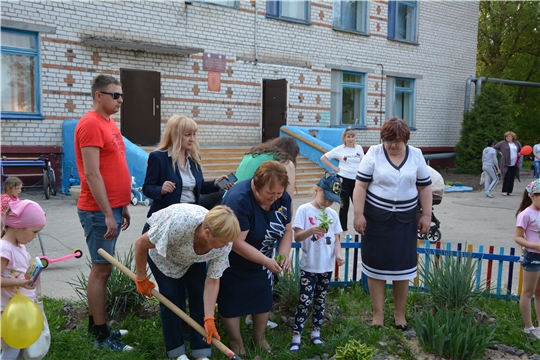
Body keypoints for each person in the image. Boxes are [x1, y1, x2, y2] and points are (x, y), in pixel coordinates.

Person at [353, 117, 432, 329]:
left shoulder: (416, 155)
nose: (393, 145)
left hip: (405, 220)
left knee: (402, 267)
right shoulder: (374, 154)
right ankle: (378, 315)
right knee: (376, 266)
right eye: (388, 140)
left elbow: (424, 187)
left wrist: (426, 215)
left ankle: (399, 314)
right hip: (376, 220)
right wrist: (358, 214)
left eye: (397, 140)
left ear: (406, 139)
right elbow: (360, 185)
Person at [134, 204, 240, 360]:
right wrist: (141, 277)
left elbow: (212, 281)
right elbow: (140, 244)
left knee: (198, 292)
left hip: (193, 253)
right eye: (223, 241)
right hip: (165, 247)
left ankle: (201, 352)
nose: (227, 245)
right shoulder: (178, 226)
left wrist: (209, 318)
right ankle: (177, 352)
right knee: (170, 295)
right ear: (207, 233)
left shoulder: (223, 244)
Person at [74, 74, 133, 352]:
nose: (120, 100)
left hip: (113, 208)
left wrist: (123, 205)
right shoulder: (90, 124)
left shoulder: (109, 123)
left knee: (104, 269)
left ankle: (97, 326)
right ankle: (99, 334)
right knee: (101, 270)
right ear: (99, 95)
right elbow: (92, 173)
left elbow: (115, 164)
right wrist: (108, 213)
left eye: (122, 95)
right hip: (98, 212)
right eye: (116, 95)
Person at [218, 161, 293, 356]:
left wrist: (283, 254)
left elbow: (286, 230)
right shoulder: (239, 200)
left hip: (263, 257)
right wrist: (266, 261)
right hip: (233, 260)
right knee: (232, 299)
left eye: (279, 194)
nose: (275, 198)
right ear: (256, 185)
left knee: (262, 296)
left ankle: (259, 338)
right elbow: (236, 242)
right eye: (270, 194)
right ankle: (236, 341)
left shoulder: (282, 197)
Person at [232, 136, 299, 329]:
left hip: (231, 210)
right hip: (249, 210)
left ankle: (244, 315)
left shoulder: (254, 154)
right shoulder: (285, 161)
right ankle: (249, 318)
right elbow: (286, 195)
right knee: (254, 262)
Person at [288, 173, 345, 354]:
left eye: (332, 200)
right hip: (309, 266)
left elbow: (336, 238)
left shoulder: (333, 214)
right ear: (316, 190)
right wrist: (311, 230)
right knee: (304, 301)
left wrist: (338, 255)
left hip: (326, 267)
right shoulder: (304, 210)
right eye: (325, 197)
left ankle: (316, 333)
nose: (328, 203)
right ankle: (296, 336)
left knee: (320, 300)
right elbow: (296, 237)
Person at [142, 115, 230, 227]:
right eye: (187, 135)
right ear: (175, 135)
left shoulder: (194, 157)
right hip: (168, 217)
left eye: (194, 134)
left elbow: (200, 187)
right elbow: (147, 188)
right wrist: (161, 189)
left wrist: (215, 183)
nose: (192, 139)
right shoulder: (158, 157)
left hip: (192, 216)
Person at [1, 200, 46, 360]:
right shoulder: (4, 249)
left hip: (20, 308)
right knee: (11, 344)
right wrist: (20, 283)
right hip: (7, 309)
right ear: (19, 226)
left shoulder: (19, 246)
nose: (35, 236)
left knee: (16, 345)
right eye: (34, 231)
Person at [320, 127, 364, 236]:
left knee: (359, 205)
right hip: (343, 179)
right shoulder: (340, 149)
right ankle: (345, 231)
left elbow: (363, 162)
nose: (350, 139)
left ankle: (362, 227)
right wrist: (335, 168)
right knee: (344, 206)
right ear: (344, 138)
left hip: (357, 180)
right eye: (348, 137)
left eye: (352, 137)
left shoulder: (359, 148)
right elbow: (324, 158)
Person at [514, 179, 540, 340]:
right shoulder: (525, 214)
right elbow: (517, 237)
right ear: (532, 195)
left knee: (539, 292)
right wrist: (533, 245)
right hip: (532, 256)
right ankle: (528, 327)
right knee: (528, 292)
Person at [234, 136, 299, 198]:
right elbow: (288, 197)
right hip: (248, 201)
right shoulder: (285, 161)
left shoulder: (252, 154)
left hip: (230, 196)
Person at [494, 131, 523, 196]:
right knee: (507, 176)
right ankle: (504, 190)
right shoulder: (502, 143)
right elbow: (494, 147)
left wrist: (519, 153)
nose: (508, 137)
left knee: (512, 177)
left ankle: (509, 191)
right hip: (505, 162)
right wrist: (499, 152)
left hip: (514, 162)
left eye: (509, 136)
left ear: (513, 137)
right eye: (506, 136)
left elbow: (521, 150)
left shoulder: (517, 143)